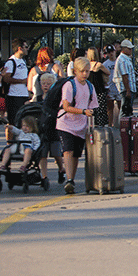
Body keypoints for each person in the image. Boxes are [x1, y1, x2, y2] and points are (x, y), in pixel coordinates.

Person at [57, 57, 99, 193]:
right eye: (82, 71)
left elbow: (93, 107)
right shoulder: (69, 85)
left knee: (76, 154)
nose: (85, 74)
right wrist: (83, 111)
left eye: (87, 71)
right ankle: (69, 180)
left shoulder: (90, 86)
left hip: (81, 126)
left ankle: (71, 180)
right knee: (68, 151)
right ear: (75, 71)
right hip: (66, 124)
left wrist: (91, 118)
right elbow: (66, 106)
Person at [2, 38, 31, 123]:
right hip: (14, 96)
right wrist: (22, 81)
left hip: (23, 95)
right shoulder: (11, 62)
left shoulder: (23, 61)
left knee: (23, 121)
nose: (27, 49)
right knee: (13, 121)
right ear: (20, 48)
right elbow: (6, 78)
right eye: (26, 47)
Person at [87, 47, 111, 127]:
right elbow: (108, 72)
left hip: (89, 90)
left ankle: (91, 124)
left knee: (91, 109)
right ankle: (100, 126)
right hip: (99, 89)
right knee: (101, 110)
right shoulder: (99, 65)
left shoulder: (86, 65)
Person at [114, 39, 137, 118]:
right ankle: (122, 127)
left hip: (129, 88)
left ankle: (126, 127)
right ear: (123, 49)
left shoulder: (126, 59)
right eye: (129, 49)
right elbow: (125, 76)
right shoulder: (122, 60)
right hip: (126, 89)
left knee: (128, 110)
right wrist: (128, 90)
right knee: (124, 110)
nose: (130, 50)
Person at [102, 45, 120, 126]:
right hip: (110, 88)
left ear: (115, 51)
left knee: (121, 107)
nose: (111, 54)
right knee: (110, 108)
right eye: (109, 52)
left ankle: (120, 124)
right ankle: (110, 124)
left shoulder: (119, 61)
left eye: (112, 51)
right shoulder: (105, 64)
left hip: (119, 87)